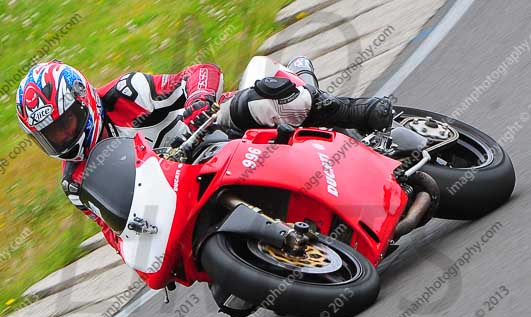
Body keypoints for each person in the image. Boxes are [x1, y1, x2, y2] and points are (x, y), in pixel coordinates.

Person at [16, 58, 392, 251]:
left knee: (272, 105)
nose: (63, 137)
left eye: (65, 124)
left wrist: (198, 101)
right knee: (228, 294)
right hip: (179, 196)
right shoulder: (75, 181)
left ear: (84, 101)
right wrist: (132, 244)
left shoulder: (127, 93)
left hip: (214, 133)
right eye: (50, 135)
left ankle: (351, 111)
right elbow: (111, 228)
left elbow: (200, 72)